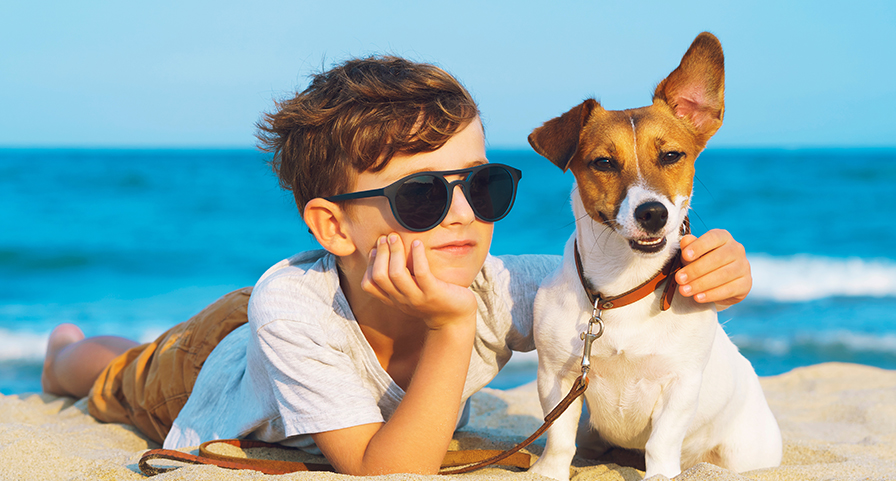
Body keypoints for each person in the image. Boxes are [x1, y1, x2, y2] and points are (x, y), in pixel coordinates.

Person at [41, 56, 753, 476]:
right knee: (118, 375)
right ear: (331, 225)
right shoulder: (295, 310)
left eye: (482, 186)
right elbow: (386, 470)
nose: (462, 216)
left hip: (293, 328)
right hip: (220, 357)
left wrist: (719, 266)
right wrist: (451, 330)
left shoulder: (506, 286)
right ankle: (63, 349)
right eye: (419, 196)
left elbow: (616, 292)